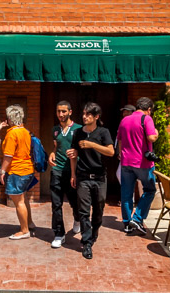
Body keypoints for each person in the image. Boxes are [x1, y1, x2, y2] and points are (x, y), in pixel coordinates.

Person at [72, 102, 114, 259]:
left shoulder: (103, 132)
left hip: (100, 178)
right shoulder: (77, 133)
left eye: (88, 114)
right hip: (83, 177)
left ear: (96, 116)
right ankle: (87, 242)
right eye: (83, 113)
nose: (84, 117)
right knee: (83, 211)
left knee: (98, 211)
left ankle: (94, 231)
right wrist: (73, 174)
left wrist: (91, 144)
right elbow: (74, 153)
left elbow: (110, 151)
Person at [116, 96, 159, 235]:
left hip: (126, 162)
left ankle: (127, 224)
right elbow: (151, 137)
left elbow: (120, 140)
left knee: (126, 194)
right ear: (148, 109)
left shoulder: (124, 120)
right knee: (150, 190)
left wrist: (121, 155)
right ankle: (137, 218)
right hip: (143, 163)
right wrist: (156, 133)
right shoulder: (146, 119)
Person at [0, 104, 36, 240]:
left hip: (16, 171)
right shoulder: (25, 131)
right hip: (27, 169)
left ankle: (24, 230)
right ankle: (29, 223)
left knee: (18, 201)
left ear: (10, 118)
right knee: (23, 198)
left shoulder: (12, 133)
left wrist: (2, 171)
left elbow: (8, 156)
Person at [49, 100, 81, 248]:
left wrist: (76, 154)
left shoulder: (79, 129)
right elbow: (57, 147)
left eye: (63, 111)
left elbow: (84, 151)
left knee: (75, 202)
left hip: (73, 172)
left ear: (70, 112)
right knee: (56, 204)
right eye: (58, 111)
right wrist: (52, 153)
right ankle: (59, 233)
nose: (61, 114)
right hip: (57, 170)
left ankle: (77, 219)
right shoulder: (55, 129)